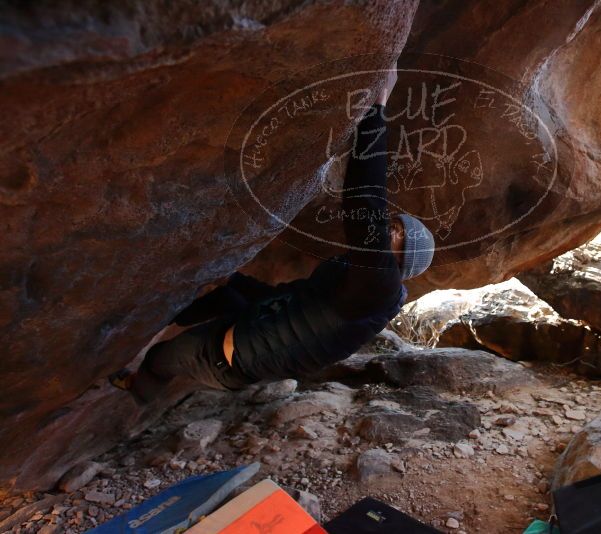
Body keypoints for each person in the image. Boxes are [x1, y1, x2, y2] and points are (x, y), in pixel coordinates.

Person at [111, 65, 435, 404]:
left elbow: (365, 205)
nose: (387, 226)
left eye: (396, 231)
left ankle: (135, 387)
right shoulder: (357, 288)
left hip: (226, 360)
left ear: (402, 258)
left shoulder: (379, 290)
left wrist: (376, 110)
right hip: (251, 333)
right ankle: (156, 321)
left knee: (160, 359)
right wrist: (230, 279)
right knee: (227, 294)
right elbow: (291, 297)